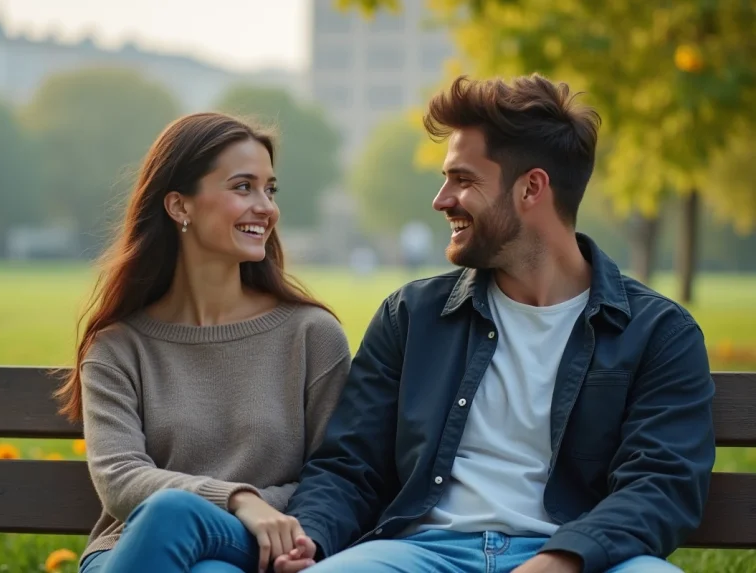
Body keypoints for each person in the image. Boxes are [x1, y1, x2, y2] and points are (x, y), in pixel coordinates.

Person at [274, 74, 715, 573]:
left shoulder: (658, 332)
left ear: (531, 188)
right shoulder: (411, 317)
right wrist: (310, 539)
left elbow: (660, 483)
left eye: (463, 180)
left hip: (579, 560)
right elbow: (349, 467)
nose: (442, 199)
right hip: (420, 555)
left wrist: (561, 560)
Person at [53, 112, 352, 573]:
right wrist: (236, 498)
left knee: (181, 518)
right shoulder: (118, 348)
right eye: (242, 187)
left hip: (260, 543)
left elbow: (333, 476)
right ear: (179, 206)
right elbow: (120, 479)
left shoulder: (310, 336)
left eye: (269, 189)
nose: (266, 207)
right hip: (134, 549)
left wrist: (248, 511)